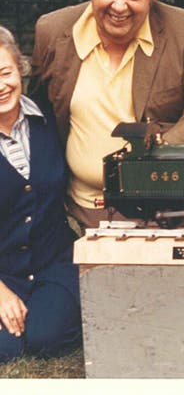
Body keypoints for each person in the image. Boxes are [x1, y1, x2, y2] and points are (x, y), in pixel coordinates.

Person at [31, 0, 184, 230]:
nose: (118, 6)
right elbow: (39, 113)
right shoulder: (52, 31)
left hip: (161, 202)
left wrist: (151, 157)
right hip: (79, 208)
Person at [0, 26, 80, 362]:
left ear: (20, 68)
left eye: (5, 72)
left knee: (45, 338)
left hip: (54, 262)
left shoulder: (49, 117)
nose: (1, 86)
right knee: (9, 349)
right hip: (4, 273)